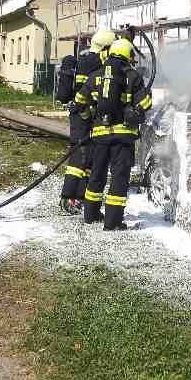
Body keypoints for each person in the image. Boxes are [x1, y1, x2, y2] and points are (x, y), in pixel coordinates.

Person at [73, 36, 152, 230]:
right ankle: (113, 222)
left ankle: (90, 215)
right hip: (123, 137)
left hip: (100, 136)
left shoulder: (96, 75)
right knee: (119, 177)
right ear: (126, 54)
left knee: (97, 175)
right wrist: (145, 96)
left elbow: (79, 100)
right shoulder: (132, 76)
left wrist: (87, 117)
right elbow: (145, 105)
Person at [59, 29, 115, 215]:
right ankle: (69, 197)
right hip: (83, 115)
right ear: (105, 48)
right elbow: (85, 92)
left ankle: (79, 196)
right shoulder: (94, 63)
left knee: (89, 156)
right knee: (80, 156)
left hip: (84, 114)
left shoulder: (86, 60)